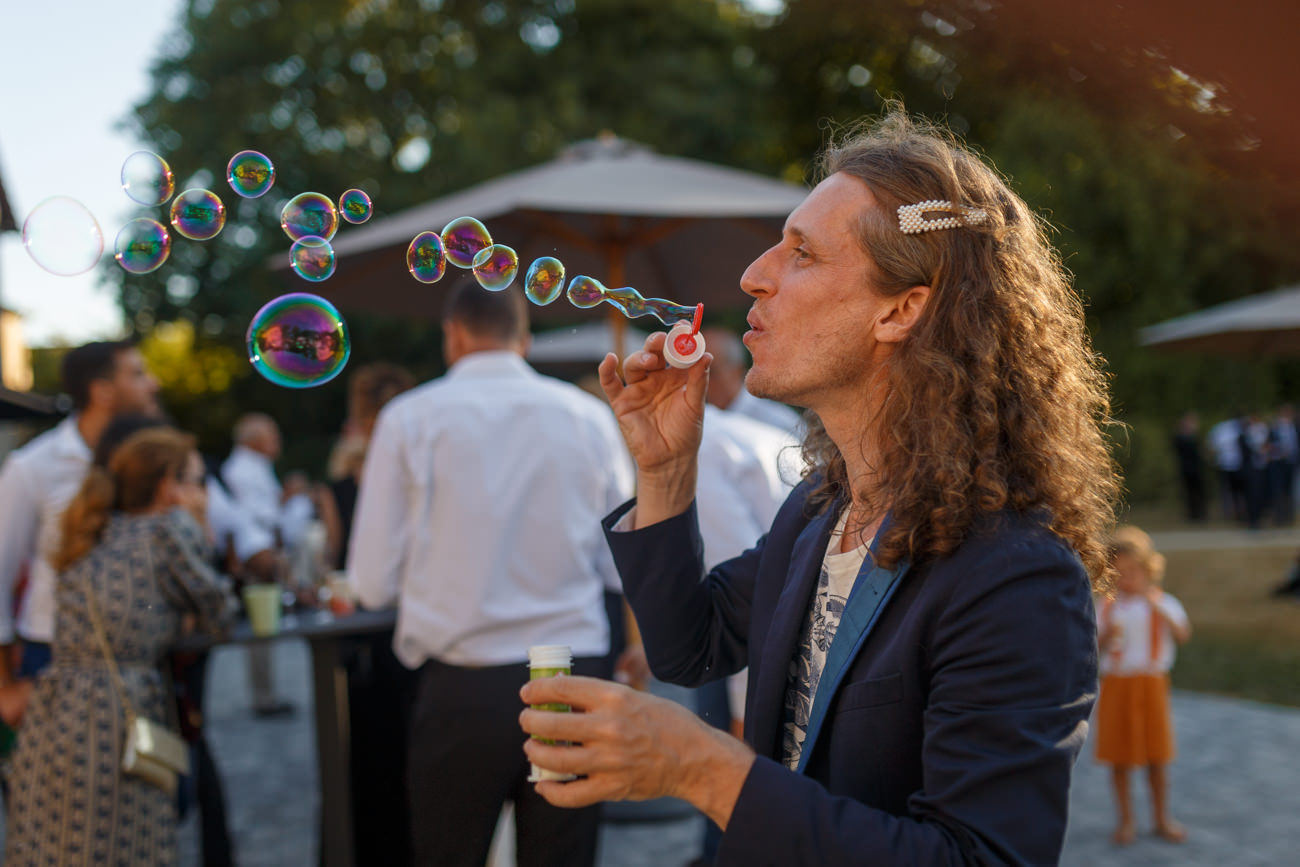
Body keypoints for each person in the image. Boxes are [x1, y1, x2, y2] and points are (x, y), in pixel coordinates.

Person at [519, 109, 1119, 865]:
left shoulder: (1015, 574)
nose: (753, 275)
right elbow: (690, 648)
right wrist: (666, 473)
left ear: (901, 309)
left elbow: (980, 857)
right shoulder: (817, 513)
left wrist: (703, 767)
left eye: (800, 253)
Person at [349, 283, 633, 866]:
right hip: (571, 677)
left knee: (449, 853)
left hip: (462, 685)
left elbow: (370, 582)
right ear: (523, 339)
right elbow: (622, 559)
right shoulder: (587, 416)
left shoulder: (408, 418)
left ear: (453, 335)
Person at [2, 428, 235, 866]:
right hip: (116, 714)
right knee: (128, 848)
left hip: (55, 708)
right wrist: (201, 524)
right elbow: (219, 614)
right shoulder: (168, 530)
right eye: (197, 481)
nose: (202, 493)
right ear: (170, 487)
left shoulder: (89, 526)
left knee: (55, 847)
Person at [0, 340, 160, 696]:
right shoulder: (32, 467)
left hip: (141, 654)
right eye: (137, 374)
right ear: (102, 392)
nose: (154, 384)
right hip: (54, 654)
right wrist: (5, 689)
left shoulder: (149, 460)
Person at [1094, 525, 1191, 846]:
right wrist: (1106, 635)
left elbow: (1182, 634)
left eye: (1133, 571)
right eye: (1118, 573)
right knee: (1119, 757)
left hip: (1151, 685)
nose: (1126, 579)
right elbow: (1094, 646)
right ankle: (1126, 820)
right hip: (1117, 686)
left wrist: (1158, 607)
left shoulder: (1163, 602)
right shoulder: (1106, 607)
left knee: (1156, 757)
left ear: (1149, 570)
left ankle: (1161, 817)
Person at [221, 412, 309, 717]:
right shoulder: (242, 470)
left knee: (263, 626)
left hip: (260, 554)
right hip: (256, 558)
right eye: (271, 436)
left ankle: (266, 696)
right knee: (261, 625)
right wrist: (288, 497)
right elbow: (263, 518)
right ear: (253, 440)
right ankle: (264, 698)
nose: (277, 442)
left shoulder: (252, 467)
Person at [701, 326, 803, 435]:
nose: (699, 383)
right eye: (689, 375)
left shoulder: (775, 421)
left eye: (711, 374)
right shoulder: (698, 419)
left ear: (737, 371)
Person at [1171, 411, 1206, 522]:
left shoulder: (1194, 437)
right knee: (1189, 492)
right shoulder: (1181, 438)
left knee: (1199, 492)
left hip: (1196, 468)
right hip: (1187, 468)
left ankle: (1200, 513)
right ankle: (1193, 514)